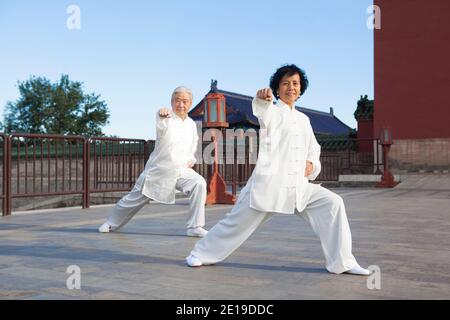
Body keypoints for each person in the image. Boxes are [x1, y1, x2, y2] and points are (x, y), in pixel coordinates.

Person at [185, 65, 371, 275]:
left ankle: (343, 262)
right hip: (269, 186)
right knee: (235, 223)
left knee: (333, 203)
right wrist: (262, 99)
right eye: (285, 83)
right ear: (277, 88)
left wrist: (312, 164)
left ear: (301, 89)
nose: (291, 87)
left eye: (295, 83)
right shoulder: (273, 111)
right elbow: (263, 111)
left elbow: (314, 149)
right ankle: (200, 253)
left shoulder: (304, 119)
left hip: (299, 187)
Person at [98, 86, 208, 237]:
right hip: (158, 170)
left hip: (181, 170)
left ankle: (195, 226)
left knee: (199, 183)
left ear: (190, 103)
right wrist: (162, 115)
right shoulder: (165, 117)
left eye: (185, 101)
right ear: (171, 102)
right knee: (132, 200)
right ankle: (111, 223)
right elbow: (161, 124)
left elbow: (194, 144)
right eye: (177, 101)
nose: (181, 105)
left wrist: (191, 159)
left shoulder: (192, 125)